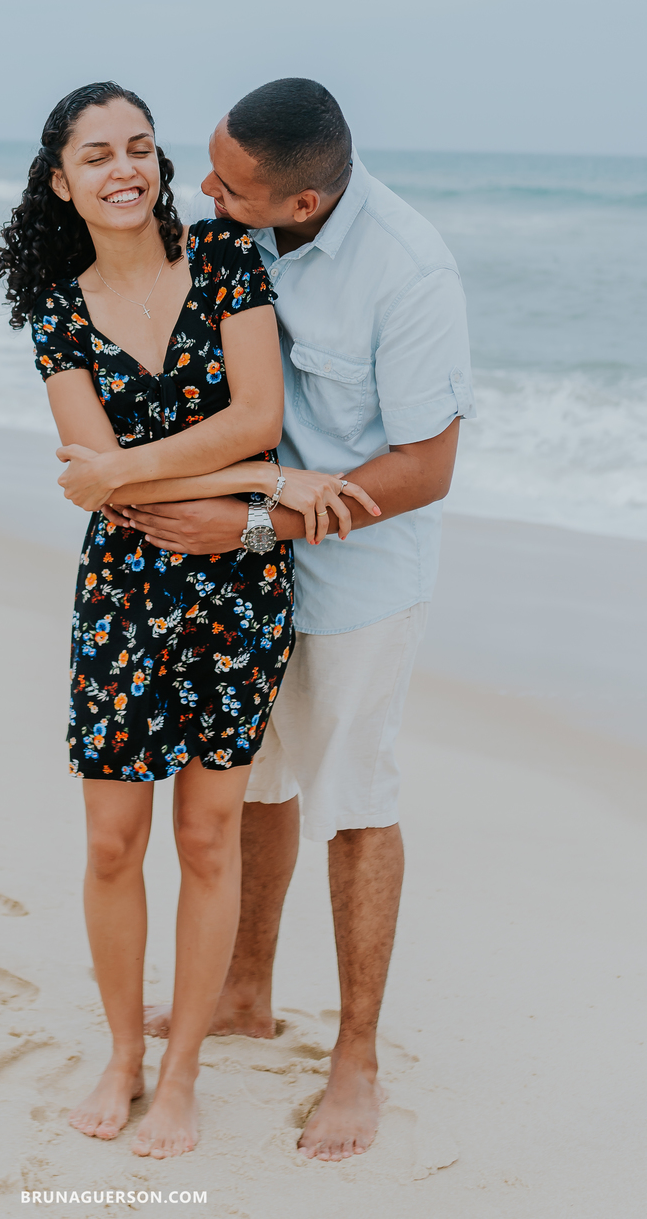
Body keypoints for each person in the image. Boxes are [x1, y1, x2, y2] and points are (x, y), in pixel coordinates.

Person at [0, 80, 378, 1162]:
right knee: (114, 842)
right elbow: (97, 491)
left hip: (236, 597)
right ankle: (121, 1053)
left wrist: (137, 465)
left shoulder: (223, 260)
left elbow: (258, 411)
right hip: (122, 593)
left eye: (142, 148)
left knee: (210, 837)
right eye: (98, 155)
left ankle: (181, 1074)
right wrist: (264, 479)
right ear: (60, 181)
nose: (126, 169)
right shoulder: (56, 305)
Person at [106, 77, 476, 1164]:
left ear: (302, 205)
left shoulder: (408, 272)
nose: (204, 190)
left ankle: (356, 1058)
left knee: (354, 802)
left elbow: (427, 465)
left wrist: (256, 527)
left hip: (356, 577)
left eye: (229, 182)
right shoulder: (232, 231)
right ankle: (246, 993)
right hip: (245, 562)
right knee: (249, 780)